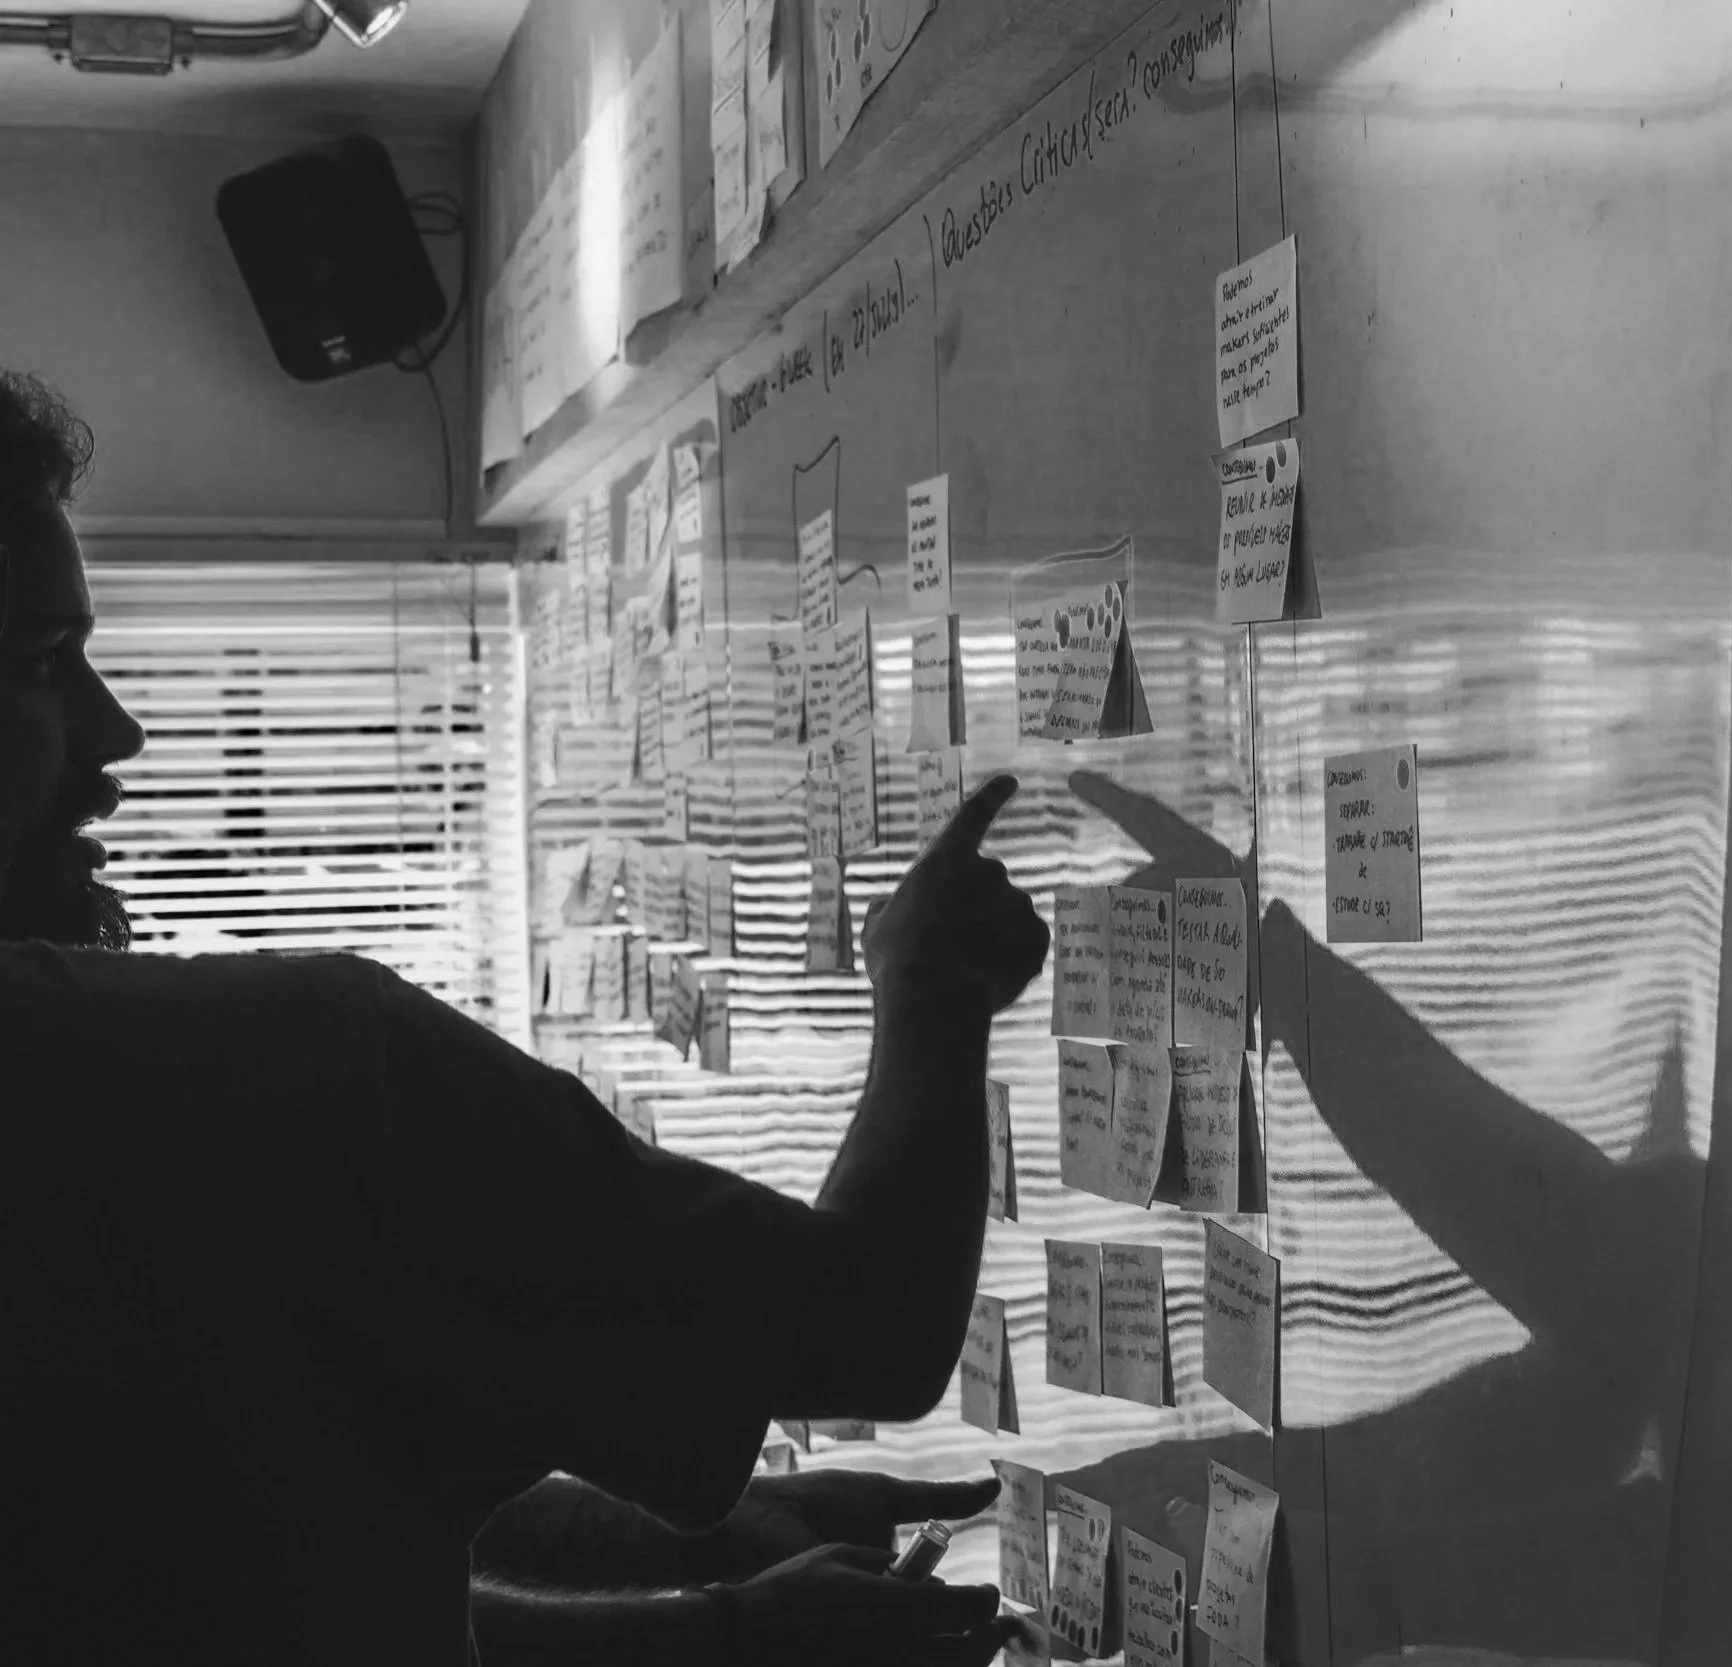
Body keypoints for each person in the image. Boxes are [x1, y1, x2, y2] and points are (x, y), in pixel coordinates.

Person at [0, 369, 1051, 1666]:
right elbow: (877, 1323)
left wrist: (707, 1565)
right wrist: (931, 989)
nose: (119, 729)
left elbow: (258, 1565)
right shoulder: (287, 1074)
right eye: (44, 662)